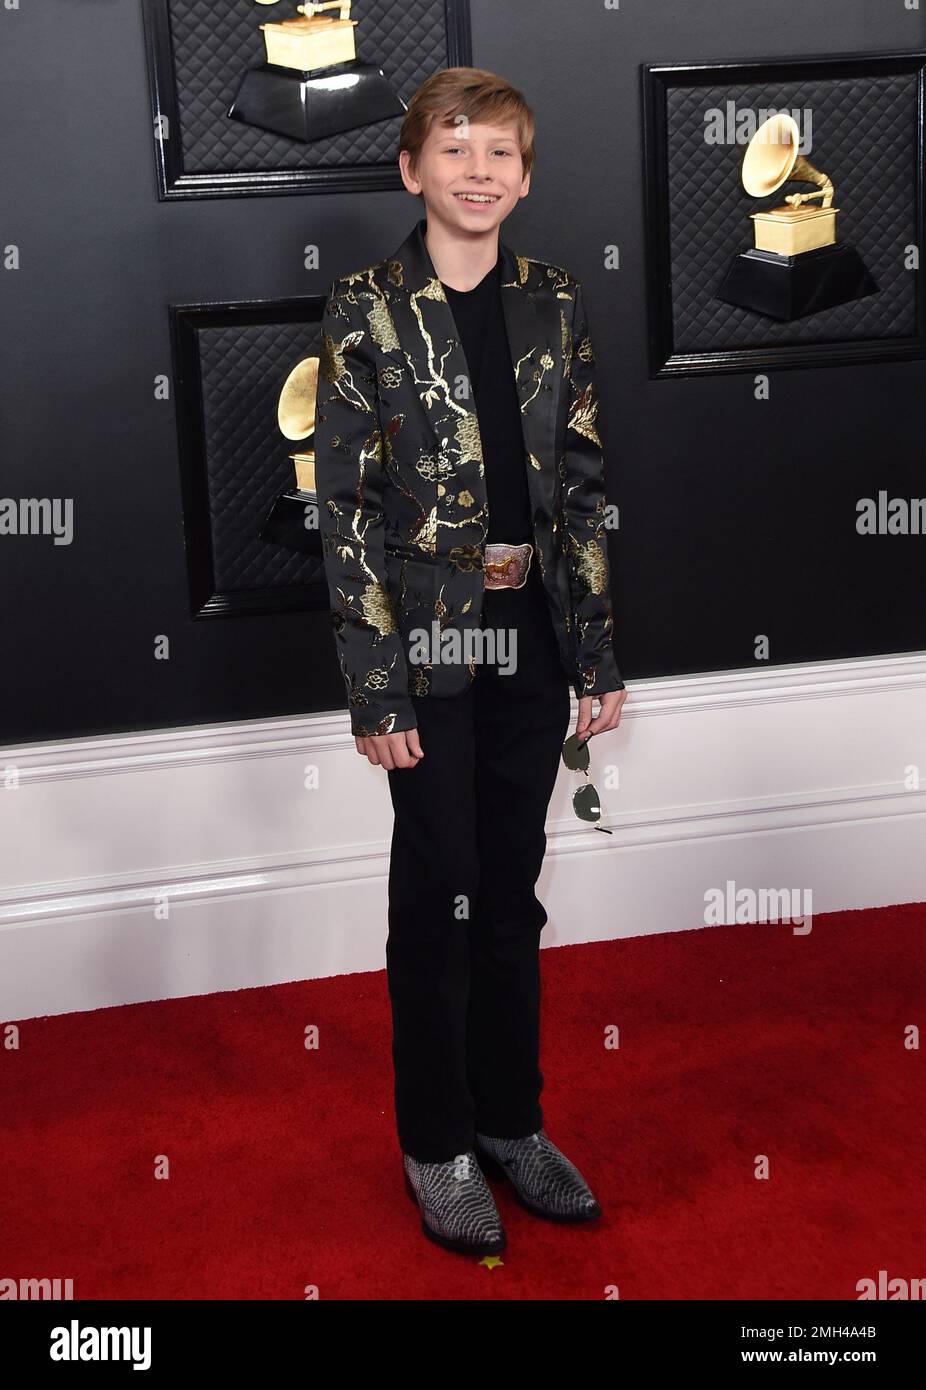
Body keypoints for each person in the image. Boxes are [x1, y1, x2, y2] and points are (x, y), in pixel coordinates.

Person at [314, 66, 628, 1256]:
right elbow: (343, 513)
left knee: (510, 889)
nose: (479, 171)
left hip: (533, 628)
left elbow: (586, 490)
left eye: (500, 153)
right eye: (456, 150)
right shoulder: (362, 307)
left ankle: (511, 1120)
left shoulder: (554, 300)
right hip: (427, 640)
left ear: (524, 177)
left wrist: (593, 658)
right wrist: (374, 685)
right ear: (411, 169)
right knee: (439, 887)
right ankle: (435, 1140)